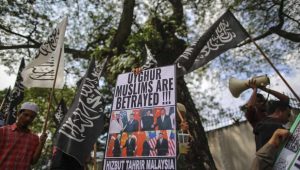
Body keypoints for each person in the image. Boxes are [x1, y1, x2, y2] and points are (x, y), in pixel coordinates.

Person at [0, 102, 47, 169]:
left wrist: (41, 144)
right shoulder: (3, 131)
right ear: (19, 113)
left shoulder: (35, 138)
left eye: (32, 117)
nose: (28, 119)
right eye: (26, 115)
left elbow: (33, 161)